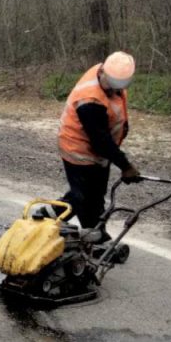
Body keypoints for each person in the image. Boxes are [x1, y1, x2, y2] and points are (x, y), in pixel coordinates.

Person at [54, 51, 141, 232]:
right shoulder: (90, 100)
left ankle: (49, 215)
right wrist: (125, 166)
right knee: (89, 199)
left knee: (86, 193)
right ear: (103, 72)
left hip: (99, 152)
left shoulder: (108, 73)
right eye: (111, 86)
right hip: (78, 149)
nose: (113, 90)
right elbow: (100, 141)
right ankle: (95, 240)